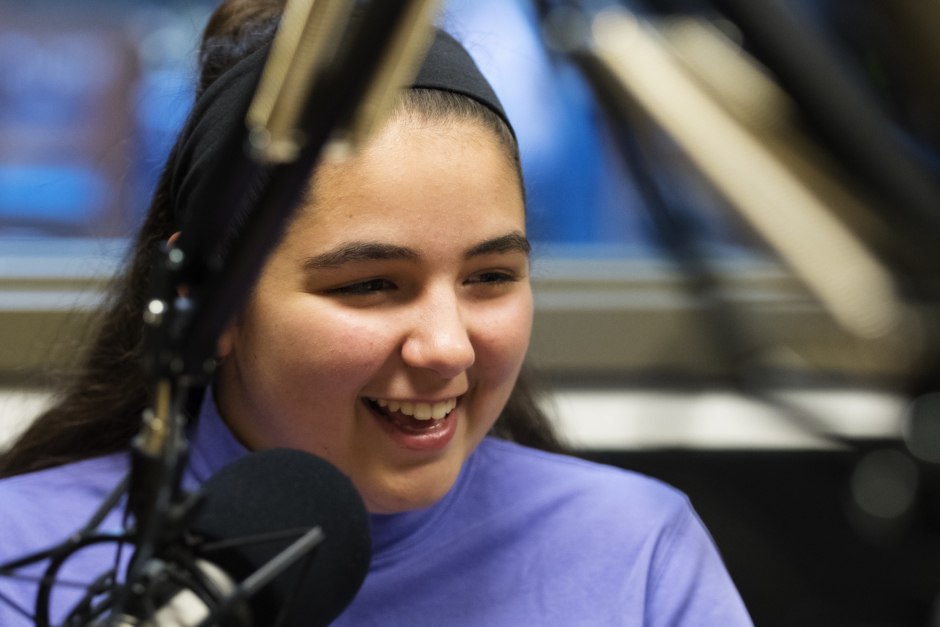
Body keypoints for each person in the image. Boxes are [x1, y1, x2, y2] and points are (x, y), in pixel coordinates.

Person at [0, 0, 753, 625]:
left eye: (491, 276)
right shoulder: (20, 558)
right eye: (370, 285)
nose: (448, 347)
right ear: (203, 300)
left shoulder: (636, 556)